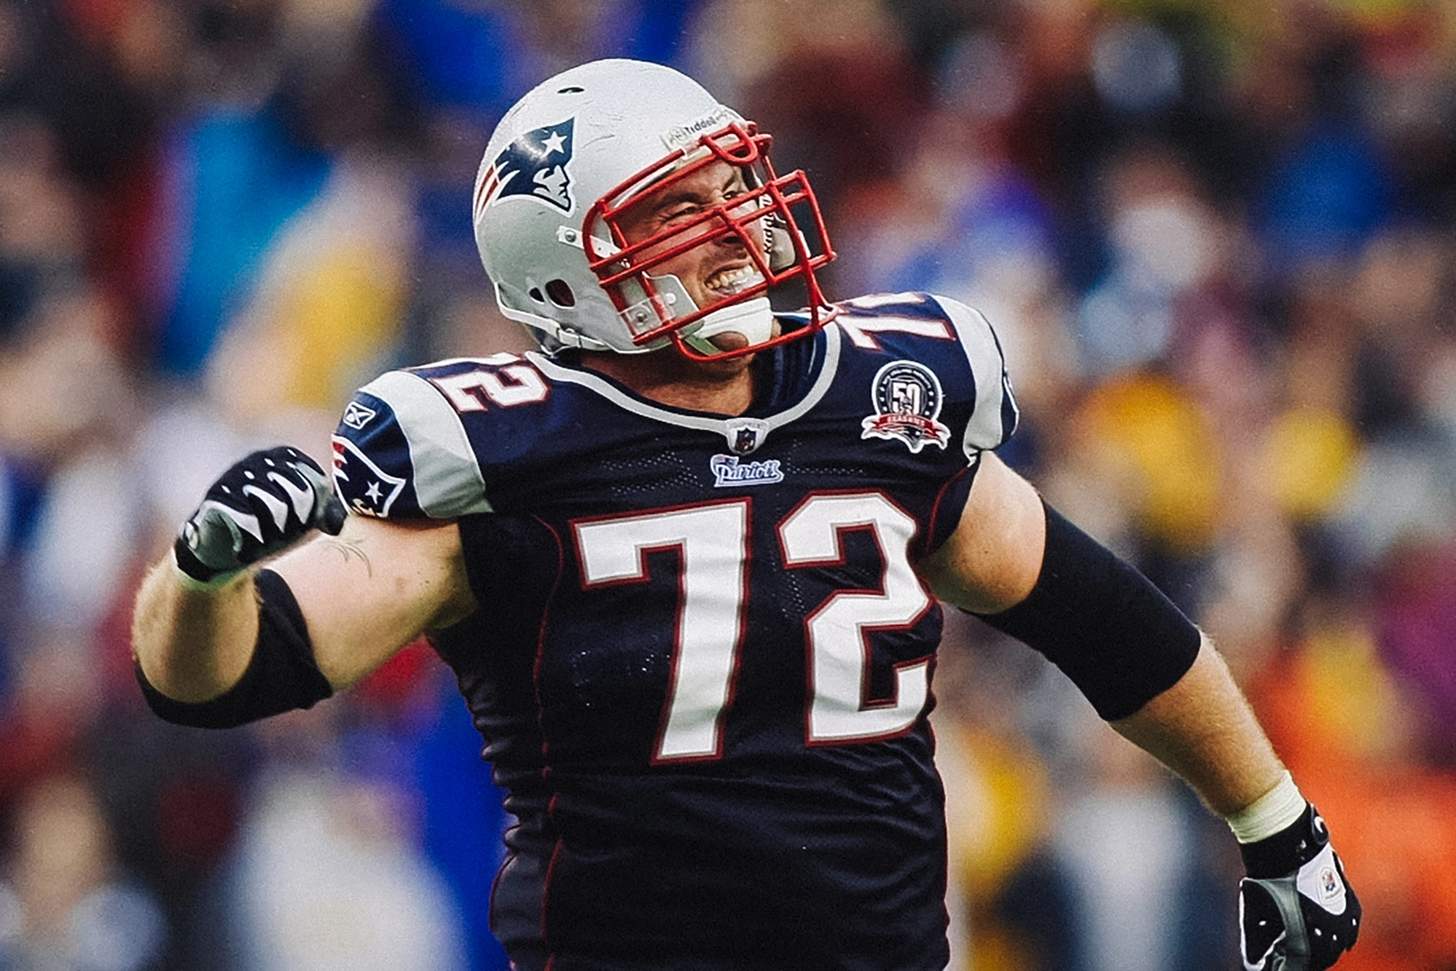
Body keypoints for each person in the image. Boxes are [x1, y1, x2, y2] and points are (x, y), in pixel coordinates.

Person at [131, 59, 1361, 970]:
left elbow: (1108, 624)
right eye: (675, 210)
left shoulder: (877, 397)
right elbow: (223, 676)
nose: (740, 229)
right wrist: (199, 577)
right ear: (560, 270)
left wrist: (1273, 821)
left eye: (736, 187)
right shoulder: (498, 458)